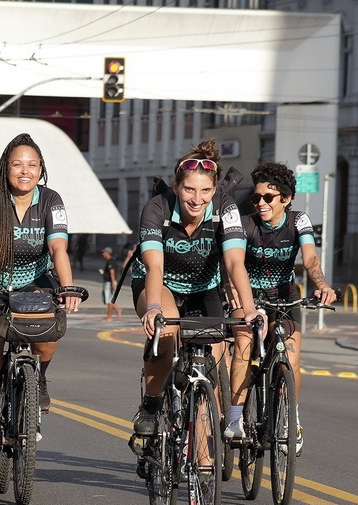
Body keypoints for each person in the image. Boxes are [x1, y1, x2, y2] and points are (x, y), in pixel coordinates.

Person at [131, 140, 258, 454]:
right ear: (176, 187)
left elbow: (234, 262)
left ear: (214, 190)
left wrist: (250, 309)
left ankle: (202, 460)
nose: (197, 199)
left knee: (211, 364)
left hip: (204, 287)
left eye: (205, 191)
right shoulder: (157, 208)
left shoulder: (226, 207)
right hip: (159, 284)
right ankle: (151, 405)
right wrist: (155, 308)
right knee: (167, 331)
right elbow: (155, 264)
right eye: (189, 189)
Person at [0, 133, 82, 475]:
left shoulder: (51, 199)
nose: (24, 171)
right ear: (6, 168)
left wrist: (68, 286)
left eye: (32, 165)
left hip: (35, 281)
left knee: (50, 329)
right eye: (17, 164)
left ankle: (38, 378)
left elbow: (58, 248)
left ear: (41, 169)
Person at [228, 162, 336, 456]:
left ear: (286, 199)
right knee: (243, 344)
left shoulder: (299, 221)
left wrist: (322, 284)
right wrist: (234, 291)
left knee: (291, 358)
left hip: (285, 297)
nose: (260, 203)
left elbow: (310, 258)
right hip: (250, 298)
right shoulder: (246, 224)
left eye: (268, 197)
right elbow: (234, 262)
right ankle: (235, 419)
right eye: (256, 198)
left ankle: (292, 420)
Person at [100, 246, 122, 320]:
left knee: (109, 300)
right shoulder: (109, 261)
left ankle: (109, 316)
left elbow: (112, 272)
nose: (103, 254)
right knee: (107, 299)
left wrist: (113, 283)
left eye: (104, 252)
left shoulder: (110, 261)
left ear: (108, 253)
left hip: (109, 283)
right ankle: (118, 310)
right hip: (108, 282)